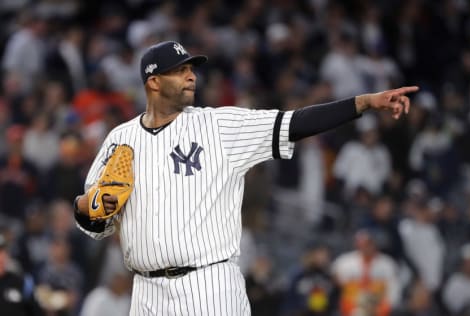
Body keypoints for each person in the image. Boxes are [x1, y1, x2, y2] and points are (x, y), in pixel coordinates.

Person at [72, 40, 418, 315]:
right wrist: (93, 207)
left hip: (208, 285)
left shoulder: (218, 126)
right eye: (180, 71)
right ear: (154, 82)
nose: (192, 76)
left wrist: (364, 103)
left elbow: (294, 122)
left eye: (191, 69)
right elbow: (92, 222)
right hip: (146, 292)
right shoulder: (120, 139)